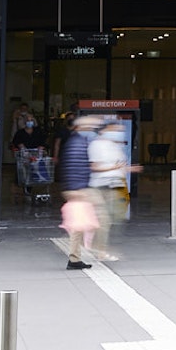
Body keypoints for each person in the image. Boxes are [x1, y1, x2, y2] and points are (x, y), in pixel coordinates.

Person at [89, 119, 138, 260]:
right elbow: (94, 167)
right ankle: (99, 251)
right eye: (114, 129)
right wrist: (114, 168)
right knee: (103, 220)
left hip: (113, 187)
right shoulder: (96, 145)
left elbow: (119, 165)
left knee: (110, 219)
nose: (117, 133)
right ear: (103, 130)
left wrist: (130, 169)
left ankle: (97, 247)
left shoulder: (114, 146)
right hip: (99, 187)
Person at [58, 114, 101, 270]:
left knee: (78, 225)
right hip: (79, 188)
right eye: (90, 127)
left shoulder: (77, 141)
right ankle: (97, 249)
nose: (92, 129)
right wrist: (76, 190)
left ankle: (75, 258)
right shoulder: (78, 142)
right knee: (101, 214)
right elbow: (74, 167)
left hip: (77, 187)